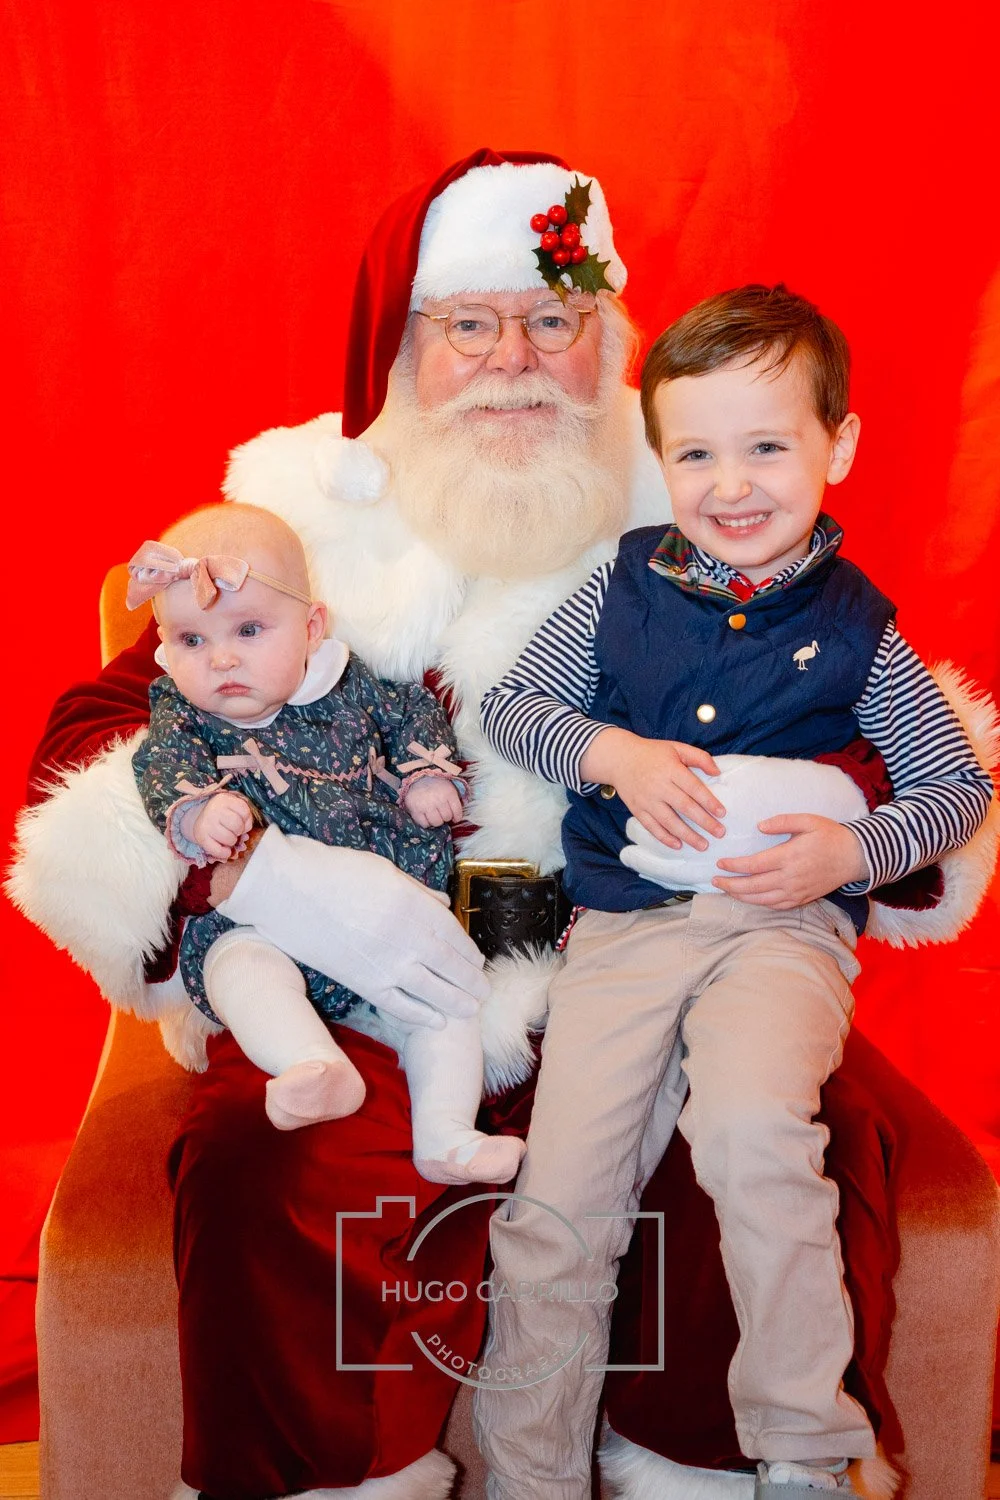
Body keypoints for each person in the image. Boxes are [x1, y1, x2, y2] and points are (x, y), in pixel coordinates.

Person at [11, 153, 986, 1500]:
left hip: (653, 944)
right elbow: (98, 733)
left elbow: (905, 752)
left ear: (613, 347)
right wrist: (272, 874)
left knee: (769, 1140)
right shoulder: (288, 524)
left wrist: (843, 840)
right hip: (369, 992)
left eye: (555, 319)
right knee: (268, 1164)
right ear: (406, 347)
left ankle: (718, 1473)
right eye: (471, 322)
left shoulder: (707, 512)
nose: (516, 358)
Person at [475, 284, 993, 1498]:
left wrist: (848, 855)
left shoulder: (862, 631)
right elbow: (513, 710)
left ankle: (804, 1449)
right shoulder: (616, 591)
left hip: (783, 934)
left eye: (768, 446)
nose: (733, 484)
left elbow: (954, 790)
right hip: (623, 931)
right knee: (561, 1202)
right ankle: (529, 1472)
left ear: (837, 446)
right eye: (697, 453)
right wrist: (614, 753)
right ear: (660, 460)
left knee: (756, 1134)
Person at [126, 501, 526, 1184]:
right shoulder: (183, 712)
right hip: (258, 926)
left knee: (453, 996)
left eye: (250, 629)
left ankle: (447, 1135)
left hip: (394, 914)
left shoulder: (352, 684)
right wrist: (197, 812)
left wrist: (425, 771)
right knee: (239, 968)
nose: (221, 658)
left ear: (312, 627)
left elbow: (413, 711)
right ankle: (313, 1064)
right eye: (191, 640)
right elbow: (157, 763)